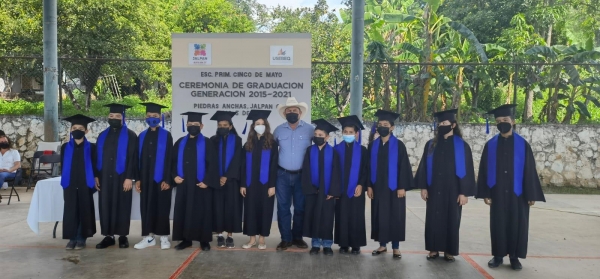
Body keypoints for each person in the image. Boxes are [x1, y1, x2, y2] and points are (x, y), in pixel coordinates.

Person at [476, 104, 546, 271]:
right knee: (498, 224)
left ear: (513, 122)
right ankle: (498, 255)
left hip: (518, 194)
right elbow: (484, 169)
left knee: (518, 224)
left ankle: (515, 257)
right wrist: (486, 192)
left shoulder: (523, 145)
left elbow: (529, 170)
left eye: (505, 120)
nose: (502, 123)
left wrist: (531, 194)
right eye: (499, 121)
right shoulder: (490, 145)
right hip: (497, 192)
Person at [414, 109, 476, 262]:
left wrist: (464, 192)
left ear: (453, 125)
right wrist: (423, 187)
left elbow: (467, 169)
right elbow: (423, 167)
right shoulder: (431, 145)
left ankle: (449, 250)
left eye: (444, 123)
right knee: (433, 219)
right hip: (434, 189)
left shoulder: (462, 146)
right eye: (439, 123)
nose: (441, 125)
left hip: (453, 190)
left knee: (452, 219)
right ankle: (433, 249)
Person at [368, 109, 414, 259]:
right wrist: (369, 185)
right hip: (378, 188)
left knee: (395, 216)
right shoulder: (373, 145)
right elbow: (367, 167)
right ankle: (382, 245)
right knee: (380, 216)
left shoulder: (399, 145)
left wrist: (402, 186)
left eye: (385, 124)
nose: (382, 126)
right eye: (380, 124)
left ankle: (395, 247)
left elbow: (404, 167)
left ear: (392, 127)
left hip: (394, 189)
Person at [172, 112, 219, 251]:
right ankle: (185, 240)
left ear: (202, 126)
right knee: (183, 211)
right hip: (184, 183)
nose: (193, 127)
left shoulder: (207, 143)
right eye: (190, 124)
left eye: (196, 125)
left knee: (202, 212)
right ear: (186, 125)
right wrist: (174, 176)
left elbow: (213, 164)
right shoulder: (180, 142)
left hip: (201, 184)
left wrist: (207, 181)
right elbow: (172, 162)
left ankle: (204, 240)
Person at [95, 103, 139, 249]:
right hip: (105, 177)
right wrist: (96, 176)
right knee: (105, 205)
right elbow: (96, 157)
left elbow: (133, 158)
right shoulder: (102, 135)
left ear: (123, 118)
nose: (113, 118)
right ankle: (108, 236)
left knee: (122, 206)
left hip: (122, 178)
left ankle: (122, 236)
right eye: (111, 116)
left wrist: (129, 177)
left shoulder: (131, 136)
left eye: (117, 116)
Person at [273, 97, 314, 250]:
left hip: (302, 176)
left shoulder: (310, 129)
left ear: (299, 113)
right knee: (283, 208)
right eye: (289, 111)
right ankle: (285, 239)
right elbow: (272, 152)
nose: (291, 112)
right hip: (282, 175)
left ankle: (297, 238)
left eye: (294, 110)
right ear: (285, 113)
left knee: (300, 208)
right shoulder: (278, 130)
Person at [134, 103, 174, 250]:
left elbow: (171, 159)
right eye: (149, 116)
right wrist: (137, 179)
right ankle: (149, 237)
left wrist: (168, 179)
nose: (152, 118)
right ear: (145, 117)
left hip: (162, 179)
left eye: (155, 116)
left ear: (160, 117)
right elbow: (136, 159)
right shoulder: (141, 136)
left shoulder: (166, 135)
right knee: (146, 207)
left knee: (162, 207)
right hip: (145, 179)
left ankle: (163, 237)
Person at [240, 110, 279, 250]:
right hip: (250, 184)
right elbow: (243, 166)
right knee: (250, 210)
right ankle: (252, 239)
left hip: (266, 184)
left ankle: (262, 239)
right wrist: (243, 184)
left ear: (266, 126)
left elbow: (274, 166)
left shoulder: (272, 144)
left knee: (265, 210)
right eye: (257, 124)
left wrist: (272, 185)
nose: (260, 126)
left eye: (263, 124)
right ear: (253, 126)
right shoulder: (248, 144)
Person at [302, 119, 341, 256]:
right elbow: (305, 171)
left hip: (328, 193)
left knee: (327, 218)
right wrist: (310, 189)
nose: (318, 137)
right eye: (316, 134)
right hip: (313, 191)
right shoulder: (309, 150)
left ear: (327, 137)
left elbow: (336, 173)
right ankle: (315, 244)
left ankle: (327, 244)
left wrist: (333, 191)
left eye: (321, 135)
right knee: (314, 217)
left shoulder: (333, 152)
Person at [60, 114, 99, 250]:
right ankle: (72, 238)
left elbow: (95, 165)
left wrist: (96, 178)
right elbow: (63, 165)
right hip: (70, 183)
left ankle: (81, 238)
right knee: (71, 211)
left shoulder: (92, 148)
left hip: (85, 183)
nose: (77, 130)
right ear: (71, 130)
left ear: (86, 131)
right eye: (74, 128)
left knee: (84, 210)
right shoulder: (65, 147)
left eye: (81, 128)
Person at [334, 115, 368, 255]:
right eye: (345, 132)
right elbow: (333, 171)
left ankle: (356, 244)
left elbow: (366, 170)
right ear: (342, 133)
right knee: (341, 215)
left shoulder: (363, 150)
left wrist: (361, 185)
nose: (348, 134)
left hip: (356, 189)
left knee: (356, 216)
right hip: (341, 190)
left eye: (351, 132)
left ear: (356, 134)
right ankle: (343, 244)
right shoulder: (336, 150)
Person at [209, 110, 243, 248]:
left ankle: (229, 235)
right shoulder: (213, 140)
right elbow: (211, 161)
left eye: (225, 124)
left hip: (232, 180)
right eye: (220, 125)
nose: (222, 127)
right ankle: (220, 235)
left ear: (230, 126)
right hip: (216, 180)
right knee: (217, 207)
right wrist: (218, 176)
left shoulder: (237, 140)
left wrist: (226, 176)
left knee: (231, 208)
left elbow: (237, 160)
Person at [0, 134, 20, 200]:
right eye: (1, 142)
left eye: (5, 141)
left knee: (2, 175)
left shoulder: (14, 152)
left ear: (8, 141)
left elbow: (17, 165)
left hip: (10, 172)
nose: (3, 143)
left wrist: (9, 170)